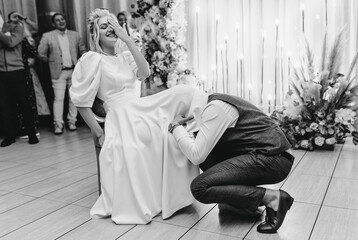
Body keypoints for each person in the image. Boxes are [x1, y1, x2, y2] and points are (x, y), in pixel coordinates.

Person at [70, 8, 199, 224]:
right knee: (137, 146)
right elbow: (81, 103)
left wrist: (127, 39)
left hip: (141, 109)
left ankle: (173, 197)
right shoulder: (92, 59)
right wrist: (100, 133)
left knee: (174, 130)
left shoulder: (127, 56)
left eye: (112, 25)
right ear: (95, 34)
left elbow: (145, 73)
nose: (110, 30)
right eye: (104, 27)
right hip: (120, 116)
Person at [169, 91, 295, 234]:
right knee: (207, 155)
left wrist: (175, 127)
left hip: (274, 158)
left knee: (200, 187)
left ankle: (273, 198)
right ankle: (235, 205)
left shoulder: (216, 108)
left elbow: (196, 155)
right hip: (261, 153)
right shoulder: (209, 105)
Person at [38, 12, 86, 134]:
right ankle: (58, 124)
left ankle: (72, 121)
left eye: (62, 19)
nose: (61, 21)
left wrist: (80, 64)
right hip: (58, 73)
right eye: (57, 20)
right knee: (58, 99)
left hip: (73, 71)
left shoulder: (74, 35)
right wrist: (52, 62)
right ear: (54, 23)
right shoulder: (47, 36)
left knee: (73, 99)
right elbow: (41, 54)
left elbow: (83, 51)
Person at [0, 10, 39, 146]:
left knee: (24, 103)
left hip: (17, 70)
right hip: (1, 73)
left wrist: (4, 37)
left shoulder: (16, 27)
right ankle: (10, 135)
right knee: (4, 106)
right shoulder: (4, 30)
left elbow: (11, 42)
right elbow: (7, 42)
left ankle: (32, 134)